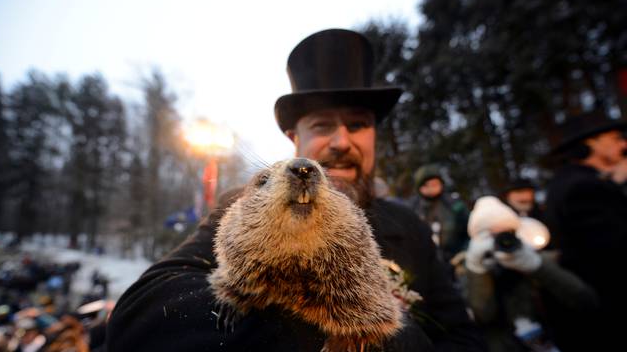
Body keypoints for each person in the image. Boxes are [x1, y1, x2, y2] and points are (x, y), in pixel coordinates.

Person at [106, 29, 485, 351]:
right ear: (295, 138)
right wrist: (300, 324)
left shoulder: (409, 224)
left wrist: (398, 339)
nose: (340, 141)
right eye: (322, 126)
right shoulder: (246, 204)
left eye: (357, 124)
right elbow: (140, 315)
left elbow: (463, 337)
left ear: (373, 135)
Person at [462, 196, 597, 352]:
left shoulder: (541, 258)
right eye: (491, 236)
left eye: (508, 233)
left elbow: (585, 300)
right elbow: (483, 315)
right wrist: (479, 271)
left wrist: (536, 265)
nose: (503, 240)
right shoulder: (471, 268)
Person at [543, 111, 627, 351]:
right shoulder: (583, 188)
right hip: (606, 321)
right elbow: (613, 257)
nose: (624, 144)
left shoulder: (572, 182)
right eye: (615, 138)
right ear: (591, 143)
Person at [406, 164, 470, 262]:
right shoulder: (411, 207)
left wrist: (464, 251)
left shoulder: (453, 204)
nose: (432, 188)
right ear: (420, 187)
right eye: (427, 185)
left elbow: (468, 229)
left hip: (455, 258)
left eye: (435, 184)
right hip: (425, 261)